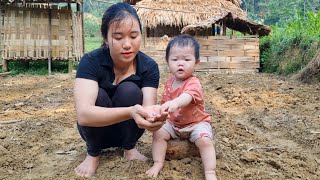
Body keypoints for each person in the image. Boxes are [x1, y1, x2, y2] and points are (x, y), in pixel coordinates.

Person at [74, 2, 167, 178]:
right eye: (118, 37)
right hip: (95, 132)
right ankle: (93, 154)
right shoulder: (90, 61)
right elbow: (84, 115)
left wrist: (155, 118)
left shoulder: (149, 66)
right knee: (99, 95)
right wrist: (131, 112)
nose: (127, 44)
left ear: (141, 34)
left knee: (130, 91)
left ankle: (129, 148)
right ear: (106, 39)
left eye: (134, 36)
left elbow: (147, 111)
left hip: (129, 131)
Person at [146, 34, 217, 180]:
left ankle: (210, 172)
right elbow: (165, 103)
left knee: (205, 141)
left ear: (196, 62)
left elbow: (186, 98)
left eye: (186, 59)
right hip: (174, 124)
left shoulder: (193, 82)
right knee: (158, 134)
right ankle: (158, 162)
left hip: (195, 123)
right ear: (167, 62)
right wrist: (160, 113)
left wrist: (174, 103)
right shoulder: (170, 82)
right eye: (175, 59)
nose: (180, 64)